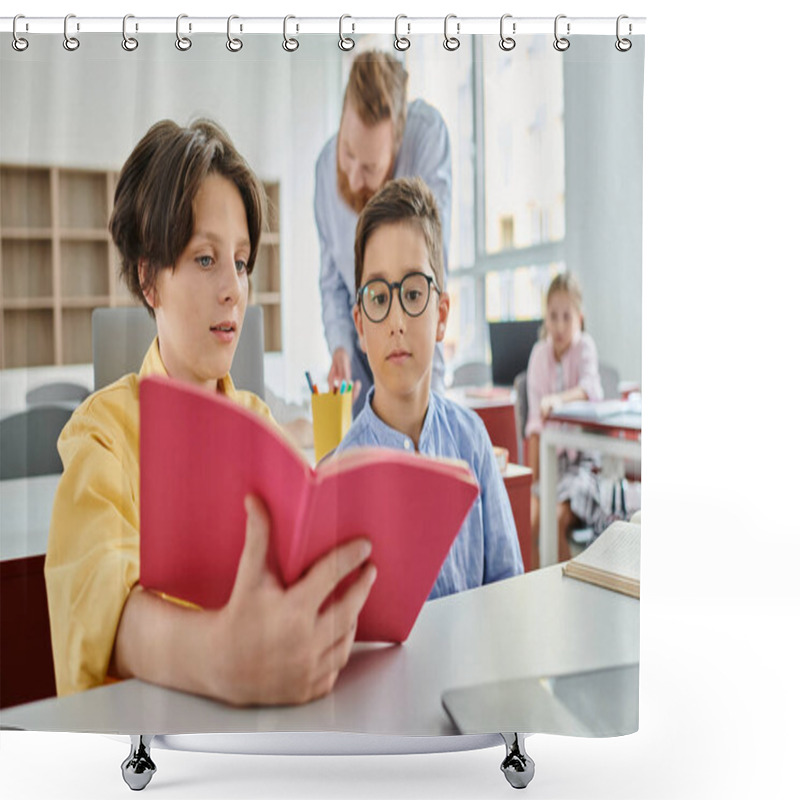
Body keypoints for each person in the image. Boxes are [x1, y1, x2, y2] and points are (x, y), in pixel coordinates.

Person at [44, 119, 376, 705]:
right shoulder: (101, 434)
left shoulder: (259, 423)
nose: (232, 288)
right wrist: (218, 657)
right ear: (149, 279)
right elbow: (96, 595)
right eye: (204, 259)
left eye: (242, 262)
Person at [335, 177, 522, 599]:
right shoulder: (343, 474)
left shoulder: (472, 441)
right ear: (361, 326)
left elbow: (509, 591)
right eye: (379, 298)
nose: (398, 320)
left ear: (440, 316)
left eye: (414, 293)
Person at [315, 50, 452, 416]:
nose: (354, 177)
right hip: (363, 353)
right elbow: (332, 283)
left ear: (397, 143)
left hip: (413, 352)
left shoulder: (426, 136)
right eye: (348, 154)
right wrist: (341, 346)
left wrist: (431, 410)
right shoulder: (324, 170)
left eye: (371, 167)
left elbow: (431, 278)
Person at [524, 272, 604, 563]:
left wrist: (558, 400)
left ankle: (567, 597)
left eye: (566, 317)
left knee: (555, 518)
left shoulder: (585, 347)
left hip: (583, 466)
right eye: (552, 316)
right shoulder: (538, 356)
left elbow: (590, 389)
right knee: (529, 522)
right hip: (550, 464)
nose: (558, 326)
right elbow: (535, 423)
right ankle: (534, 596)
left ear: (579, 318)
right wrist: (533, 483)